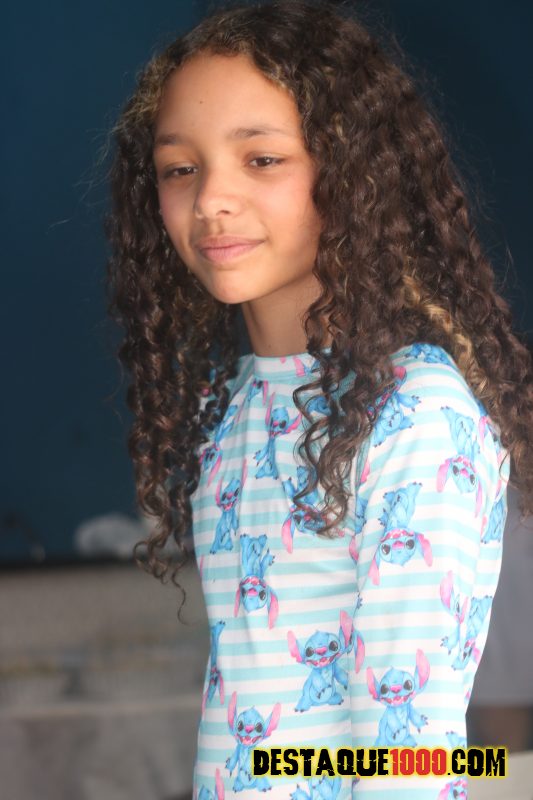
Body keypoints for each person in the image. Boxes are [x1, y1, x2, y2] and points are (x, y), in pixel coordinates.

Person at [105, 1, 533, 797]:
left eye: (262, 159)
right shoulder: (231, 408)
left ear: (353, 173)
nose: (211, 199)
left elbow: (410, 756)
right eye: (179, 168)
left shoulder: (415, 415)